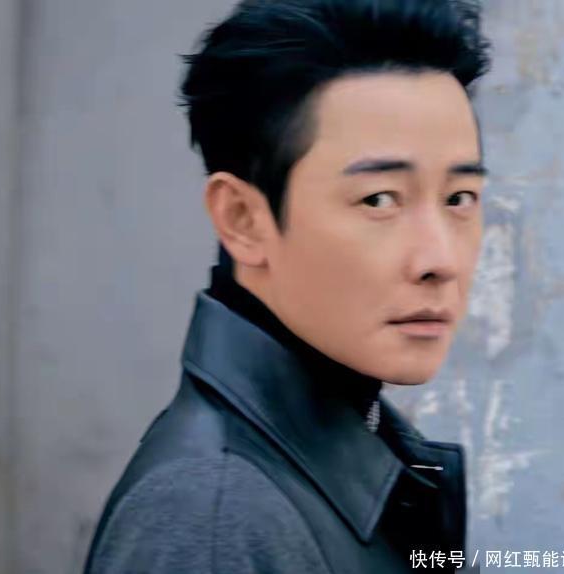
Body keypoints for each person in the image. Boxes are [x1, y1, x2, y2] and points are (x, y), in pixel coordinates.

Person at [83, 0, 491, 571]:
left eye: (459, 198)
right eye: (379, 200)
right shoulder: (214, 518)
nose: (440, 259)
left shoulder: (367, 449)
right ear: (243, 220)